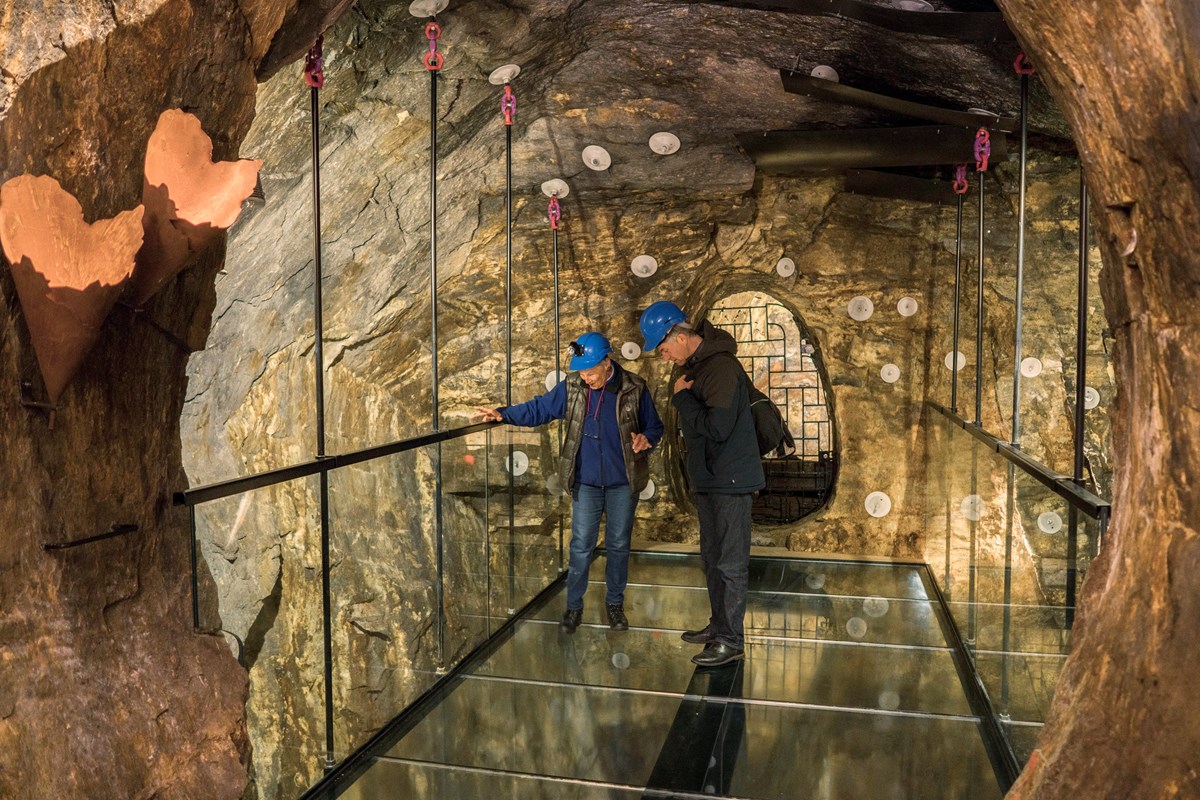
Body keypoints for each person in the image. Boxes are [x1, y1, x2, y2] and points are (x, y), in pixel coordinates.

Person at [475, 332, 664, 634]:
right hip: (585, 482)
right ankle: (574, 607)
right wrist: (504, 414)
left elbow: (655, 427)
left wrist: (646, 439)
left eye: (591, 372)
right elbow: (540, 409)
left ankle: (614, 605)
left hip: (623, 481)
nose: (586, 378)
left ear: (607, 362)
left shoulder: (635, 387)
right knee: (581, 545)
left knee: (618, 545)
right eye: (582, 373)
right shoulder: (573, 387)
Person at [639, 300, 764, 668]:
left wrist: (682, 398)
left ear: (679, 337)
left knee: (730, 563)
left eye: (662, 349)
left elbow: (718, 427)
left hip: (731, 480)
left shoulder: (721, 367)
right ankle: (719, 627)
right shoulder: (698, 367)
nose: (663, 357)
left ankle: (731, 641)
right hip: (712, 478)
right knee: (712, 558)